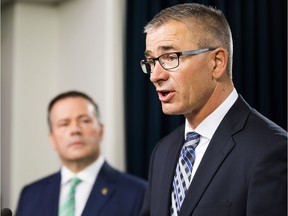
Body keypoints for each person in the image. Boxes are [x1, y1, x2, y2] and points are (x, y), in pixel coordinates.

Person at [139, 3, 287, 216]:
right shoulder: (163, 151)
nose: (155, 75)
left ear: (217, 62)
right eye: (152, 61)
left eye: (170, 58)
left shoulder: (272, 151)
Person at [16, 90, 147, 216]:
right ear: (52, 139)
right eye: (64, 124)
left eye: (84, 121)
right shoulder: (30, 195)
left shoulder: (138, 193)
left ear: (100, 131)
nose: (75, 130)